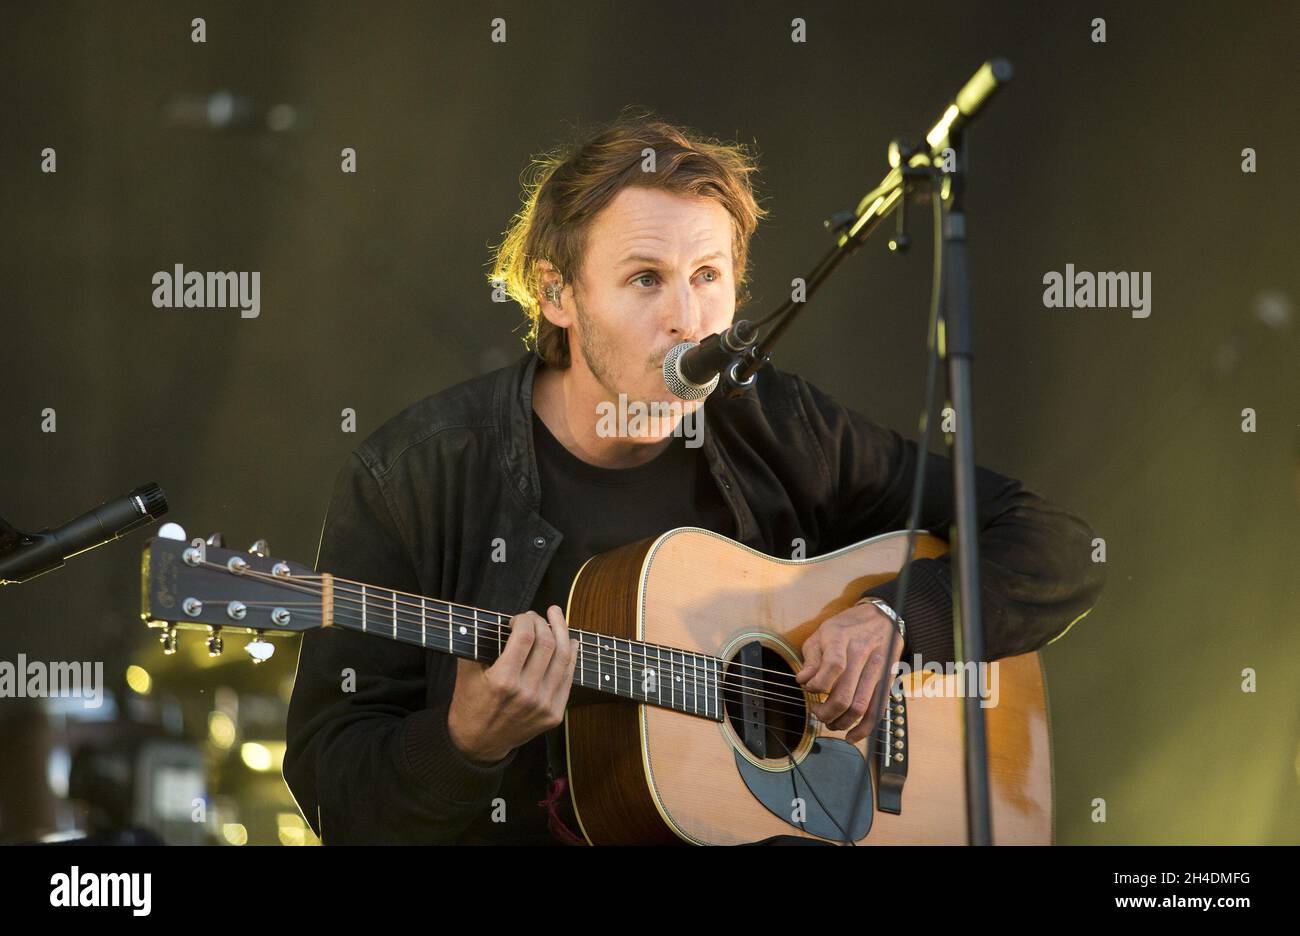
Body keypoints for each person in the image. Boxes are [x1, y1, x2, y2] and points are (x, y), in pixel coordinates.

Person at [284, 110, 1105, 844]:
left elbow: (1063, 549)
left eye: (708, 276)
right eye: (647, 279)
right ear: (556, 293)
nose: (689, 317)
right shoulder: (414, 476)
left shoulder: (775, 426)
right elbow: (334, 794)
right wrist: (464, 744)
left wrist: (902, 618)